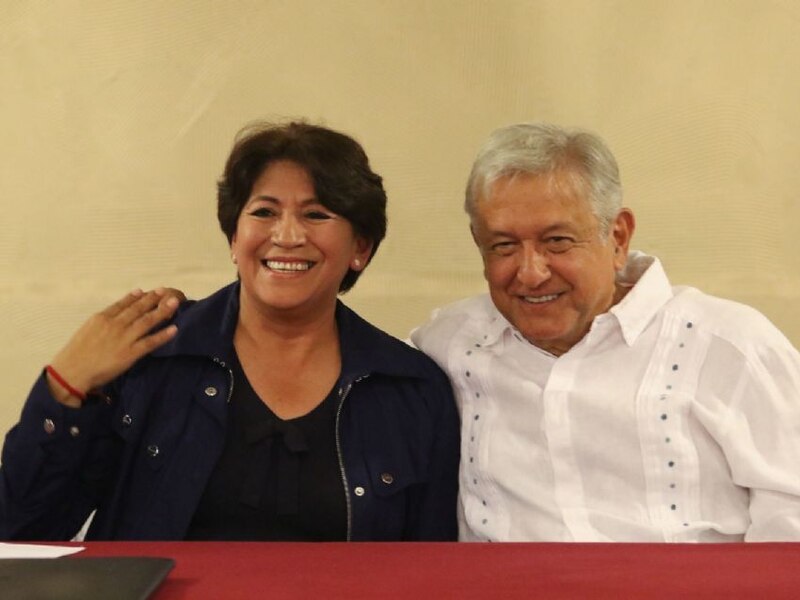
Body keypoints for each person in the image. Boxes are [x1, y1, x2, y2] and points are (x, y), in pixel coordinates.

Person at [0, 121, 460, 541]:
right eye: (263, 212)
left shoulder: (412, 390)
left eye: (316, 215)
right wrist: (66, 387)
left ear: (360, 247)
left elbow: (429, 571)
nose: (287, 235)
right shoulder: (150, 357)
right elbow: (21, 529)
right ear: (233, 239)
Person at [411, 122, 800, 542]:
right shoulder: (450, 345)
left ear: (617, 237)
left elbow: (790, 526)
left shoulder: (731, 348)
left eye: (557, 241)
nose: (530, 273)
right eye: (503, 245)